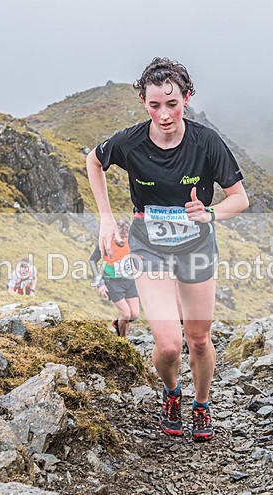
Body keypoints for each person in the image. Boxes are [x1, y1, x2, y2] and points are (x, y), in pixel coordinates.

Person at [86, 57, 249, 442]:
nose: (164, 115)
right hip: (149, 250)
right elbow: (93, 161)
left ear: (187, 99)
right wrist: (106, 218)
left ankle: (202, 405)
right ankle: (173, 393)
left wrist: (210, 212)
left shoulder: (206, 143)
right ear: (144, 102)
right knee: (169, 345)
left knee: (197, 338)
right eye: (155, 105)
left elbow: (239, 199)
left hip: (195, 246)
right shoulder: (130, 142)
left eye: (172, 104)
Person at [89, 219, 140, 337]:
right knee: (126, 314)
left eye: (125, 237)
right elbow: (92, 261)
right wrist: (100, 283)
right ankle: (122, 340)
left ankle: (117, 323)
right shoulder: (106, 242)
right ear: (114, 235)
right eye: (120, 237)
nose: (122, 240)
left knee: (135, 315)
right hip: (112, 281)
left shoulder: (132, 241)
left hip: (129, 280)